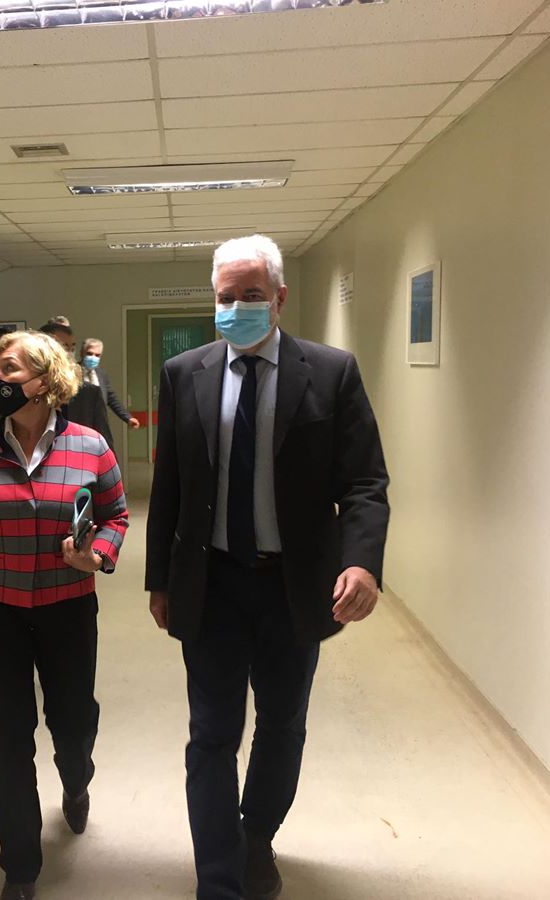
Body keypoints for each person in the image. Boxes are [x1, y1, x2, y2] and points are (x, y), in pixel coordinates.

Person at [144, 235, 390, 900]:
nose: (236, 308)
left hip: (293, 585)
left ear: (279, 298)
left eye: (250, 296)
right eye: (225, 297)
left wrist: (362, 563)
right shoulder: (185, 373)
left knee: (282, 726)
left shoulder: (330, 372)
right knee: (211, 734)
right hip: (213, 582)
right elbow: (170, 485)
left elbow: (365, 482)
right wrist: (159, 578)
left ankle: (256, 837)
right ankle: (218, 879)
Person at [0, 330, 129, 900]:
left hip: (69, 607)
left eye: (10, 368)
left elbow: (116, 516)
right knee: (7, 737)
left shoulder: (90, 446)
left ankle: (76, 779)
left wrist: (97, 556)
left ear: (44, 381)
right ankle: (19, 866)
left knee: (73, 722)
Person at [38, 318, 115, 449]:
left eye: (72, 347)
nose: (68, 353)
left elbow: (105, 444)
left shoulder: (89, 393)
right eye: (63, 346)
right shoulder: (23, 392)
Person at [80, 338, 141, 430]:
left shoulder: (101, 374)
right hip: (79, 425)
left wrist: (128, 418)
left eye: (97, 355)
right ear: (82, 353)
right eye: (89, 354)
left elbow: (111, 398)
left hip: (99, 426)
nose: (93, 358)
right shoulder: (71, 373)